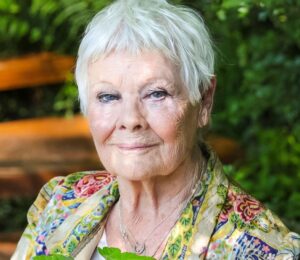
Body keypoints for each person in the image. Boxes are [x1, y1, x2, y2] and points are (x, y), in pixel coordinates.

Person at [13, 0, 300, 259]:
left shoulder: (263, 249)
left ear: (204, 100)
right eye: (108, 97)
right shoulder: (60, 205)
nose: (130, 119)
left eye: (156, 94)